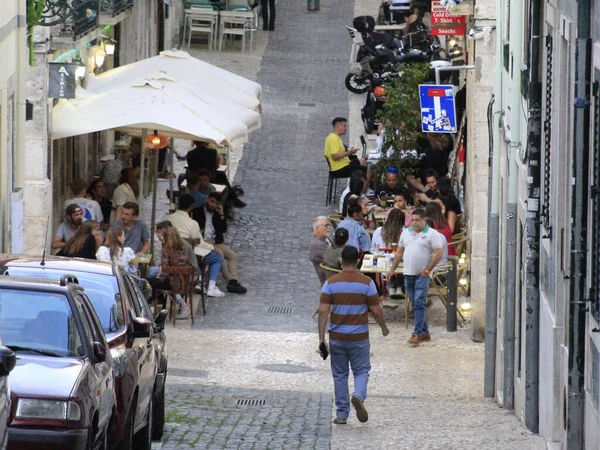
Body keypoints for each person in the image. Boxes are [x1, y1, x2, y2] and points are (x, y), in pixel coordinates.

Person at [318, 246, 389, 425]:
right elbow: (376, 309)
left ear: (341, 261)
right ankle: (358, 395)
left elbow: (323, 311)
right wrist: (383, 327)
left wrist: (321, 338)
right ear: (358, 261)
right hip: (359, 337)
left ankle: (342, 414)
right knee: (362, 370)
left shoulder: (330, 283)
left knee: (340, 374)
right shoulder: (367, 283)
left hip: (337, 337)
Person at [386, 208, 443, 346]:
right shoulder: (405, 233)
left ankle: (416, 333)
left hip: (422, 275)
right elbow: (399, 252)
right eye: (413, 220)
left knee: (418, 302)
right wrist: (392, 269)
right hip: (408, 273)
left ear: (424, 220)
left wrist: (428, 270)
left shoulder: (432, 234)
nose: (415, 222)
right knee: (415, 302)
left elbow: (438, 253)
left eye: (418, 220)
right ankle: (425, 332)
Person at [164, 194, 226, 298]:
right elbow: (199, 242)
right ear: (191, 207)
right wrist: (213, 248)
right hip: (187, 254)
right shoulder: (192, 223)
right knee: (217, 257)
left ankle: (202, 281)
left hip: (170, 254)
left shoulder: (167, 218)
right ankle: (211, 286)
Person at [193, 192, 247, 294]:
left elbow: (223, 229)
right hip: (203, 241)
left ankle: (233, 280)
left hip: (214, 241)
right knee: (219, 255)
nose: (213, 205)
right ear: (207, 199)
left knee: (233, 256)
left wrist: (221, 214)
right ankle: (231, 281)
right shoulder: (197, 211)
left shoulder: (216, 213)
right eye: (212, 201)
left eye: (216, 203)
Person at [150, 225, 193, 319]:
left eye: (162, 236)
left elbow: (165, 271)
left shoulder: (166, 250)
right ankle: (161, 306)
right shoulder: (181, 247)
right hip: (183, 282)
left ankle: (150, 306)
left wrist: (159, 277)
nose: (160, 237)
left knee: (147, 280)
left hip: (173, 283)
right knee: (154, 280)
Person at [309, 216, 332, 285]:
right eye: (326, 225)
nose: (329, 228)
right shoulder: (318, 244)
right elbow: (334, 259)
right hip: (331, 278)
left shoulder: (325, 238)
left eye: (329, 225)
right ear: (317, 228)